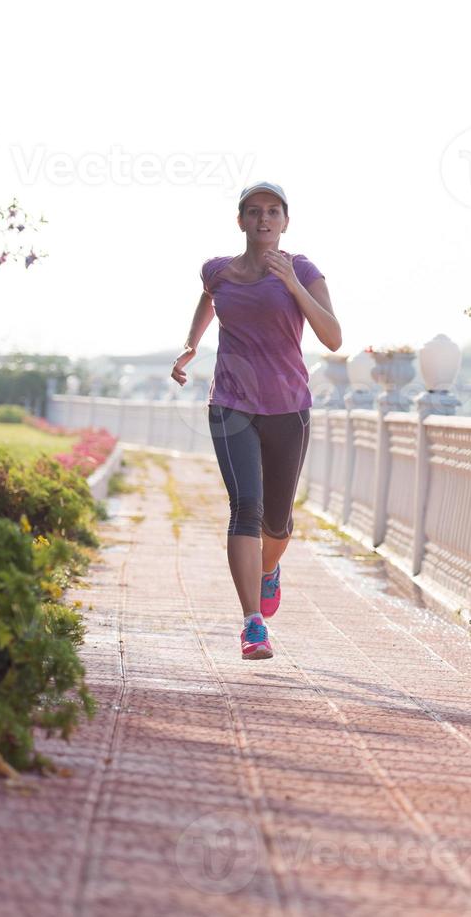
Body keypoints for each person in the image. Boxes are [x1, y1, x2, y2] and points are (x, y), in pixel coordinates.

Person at [171, 181, 342, 659]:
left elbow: (332, 336)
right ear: (241, 220)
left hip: (288, 407)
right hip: (230, 403)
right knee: (245, 508)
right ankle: (252, 624)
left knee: (278, 522)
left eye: (272, 211)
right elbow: (210, 296)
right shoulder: (218, 271)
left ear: (286, 221)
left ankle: (269, 570)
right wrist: (192, 343)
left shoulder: (303, 270)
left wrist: (290, 284)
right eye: (253, 211)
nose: (263, 219)